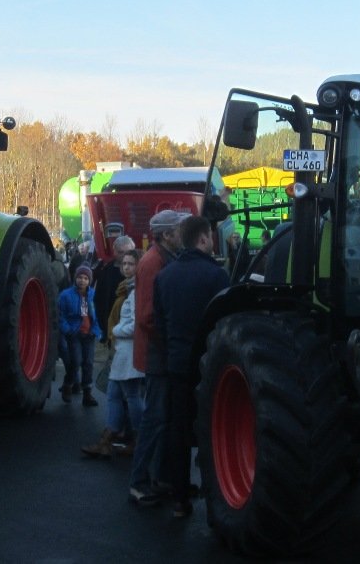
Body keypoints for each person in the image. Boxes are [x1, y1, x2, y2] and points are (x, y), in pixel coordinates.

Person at [155, 215, 230, 518]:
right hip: (208, 366)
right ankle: (216, 496)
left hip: (176, 363)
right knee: (214, 430)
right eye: (211, 237)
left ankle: (180, 497)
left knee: (179, 430)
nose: (213, 242)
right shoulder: (217, 277)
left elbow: (160, 324)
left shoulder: (165, 276)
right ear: (202, 239)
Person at [127, 208, 187, 506]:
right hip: (156, 352)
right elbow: (148, 316)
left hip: (158, 350)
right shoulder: (153, 263)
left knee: (161, 418)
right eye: (177, 231)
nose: (181, 235)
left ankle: (159, 478)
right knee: (154, 418)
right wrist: (171, 343)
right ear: (165, 235)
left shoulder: (161, 258)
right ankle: (139, 482)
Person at [81, 249, 144, 458]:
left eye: (131, 264)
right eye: (124, 264)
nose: (125, 267)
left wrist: (115, 331)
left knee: (131, 396)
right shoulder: (126, 288)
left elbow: (136, 324)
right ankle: (108, 439)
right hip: (122, 351)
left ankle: (139, 438)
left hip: (129, 351)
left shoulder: (136, 291)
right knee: (115, 395)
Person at [57, 264, 103, 406]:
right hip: (74, 333)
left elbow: (99, 315)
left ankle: (87, 393)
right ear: (75, 278)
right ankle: (68, 384)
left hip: (89, 334)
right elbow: (60, 315)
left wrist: (95, 331)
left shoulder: (93, 295)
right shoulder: (65, 295)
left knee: (88, 363)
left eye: (85, 278)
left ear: (89, 281)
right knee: (75, 361)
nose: (82, 281)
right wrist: (68, 330)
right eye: (79, 277)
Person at [92, 235, 136, 341]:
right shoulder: (106, 271)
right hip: (111, 322)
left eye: (128, 252)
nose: (125, 256)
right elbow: (99, 299)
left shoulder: (139, 271)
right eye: (121, 252)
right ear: (115, 252)